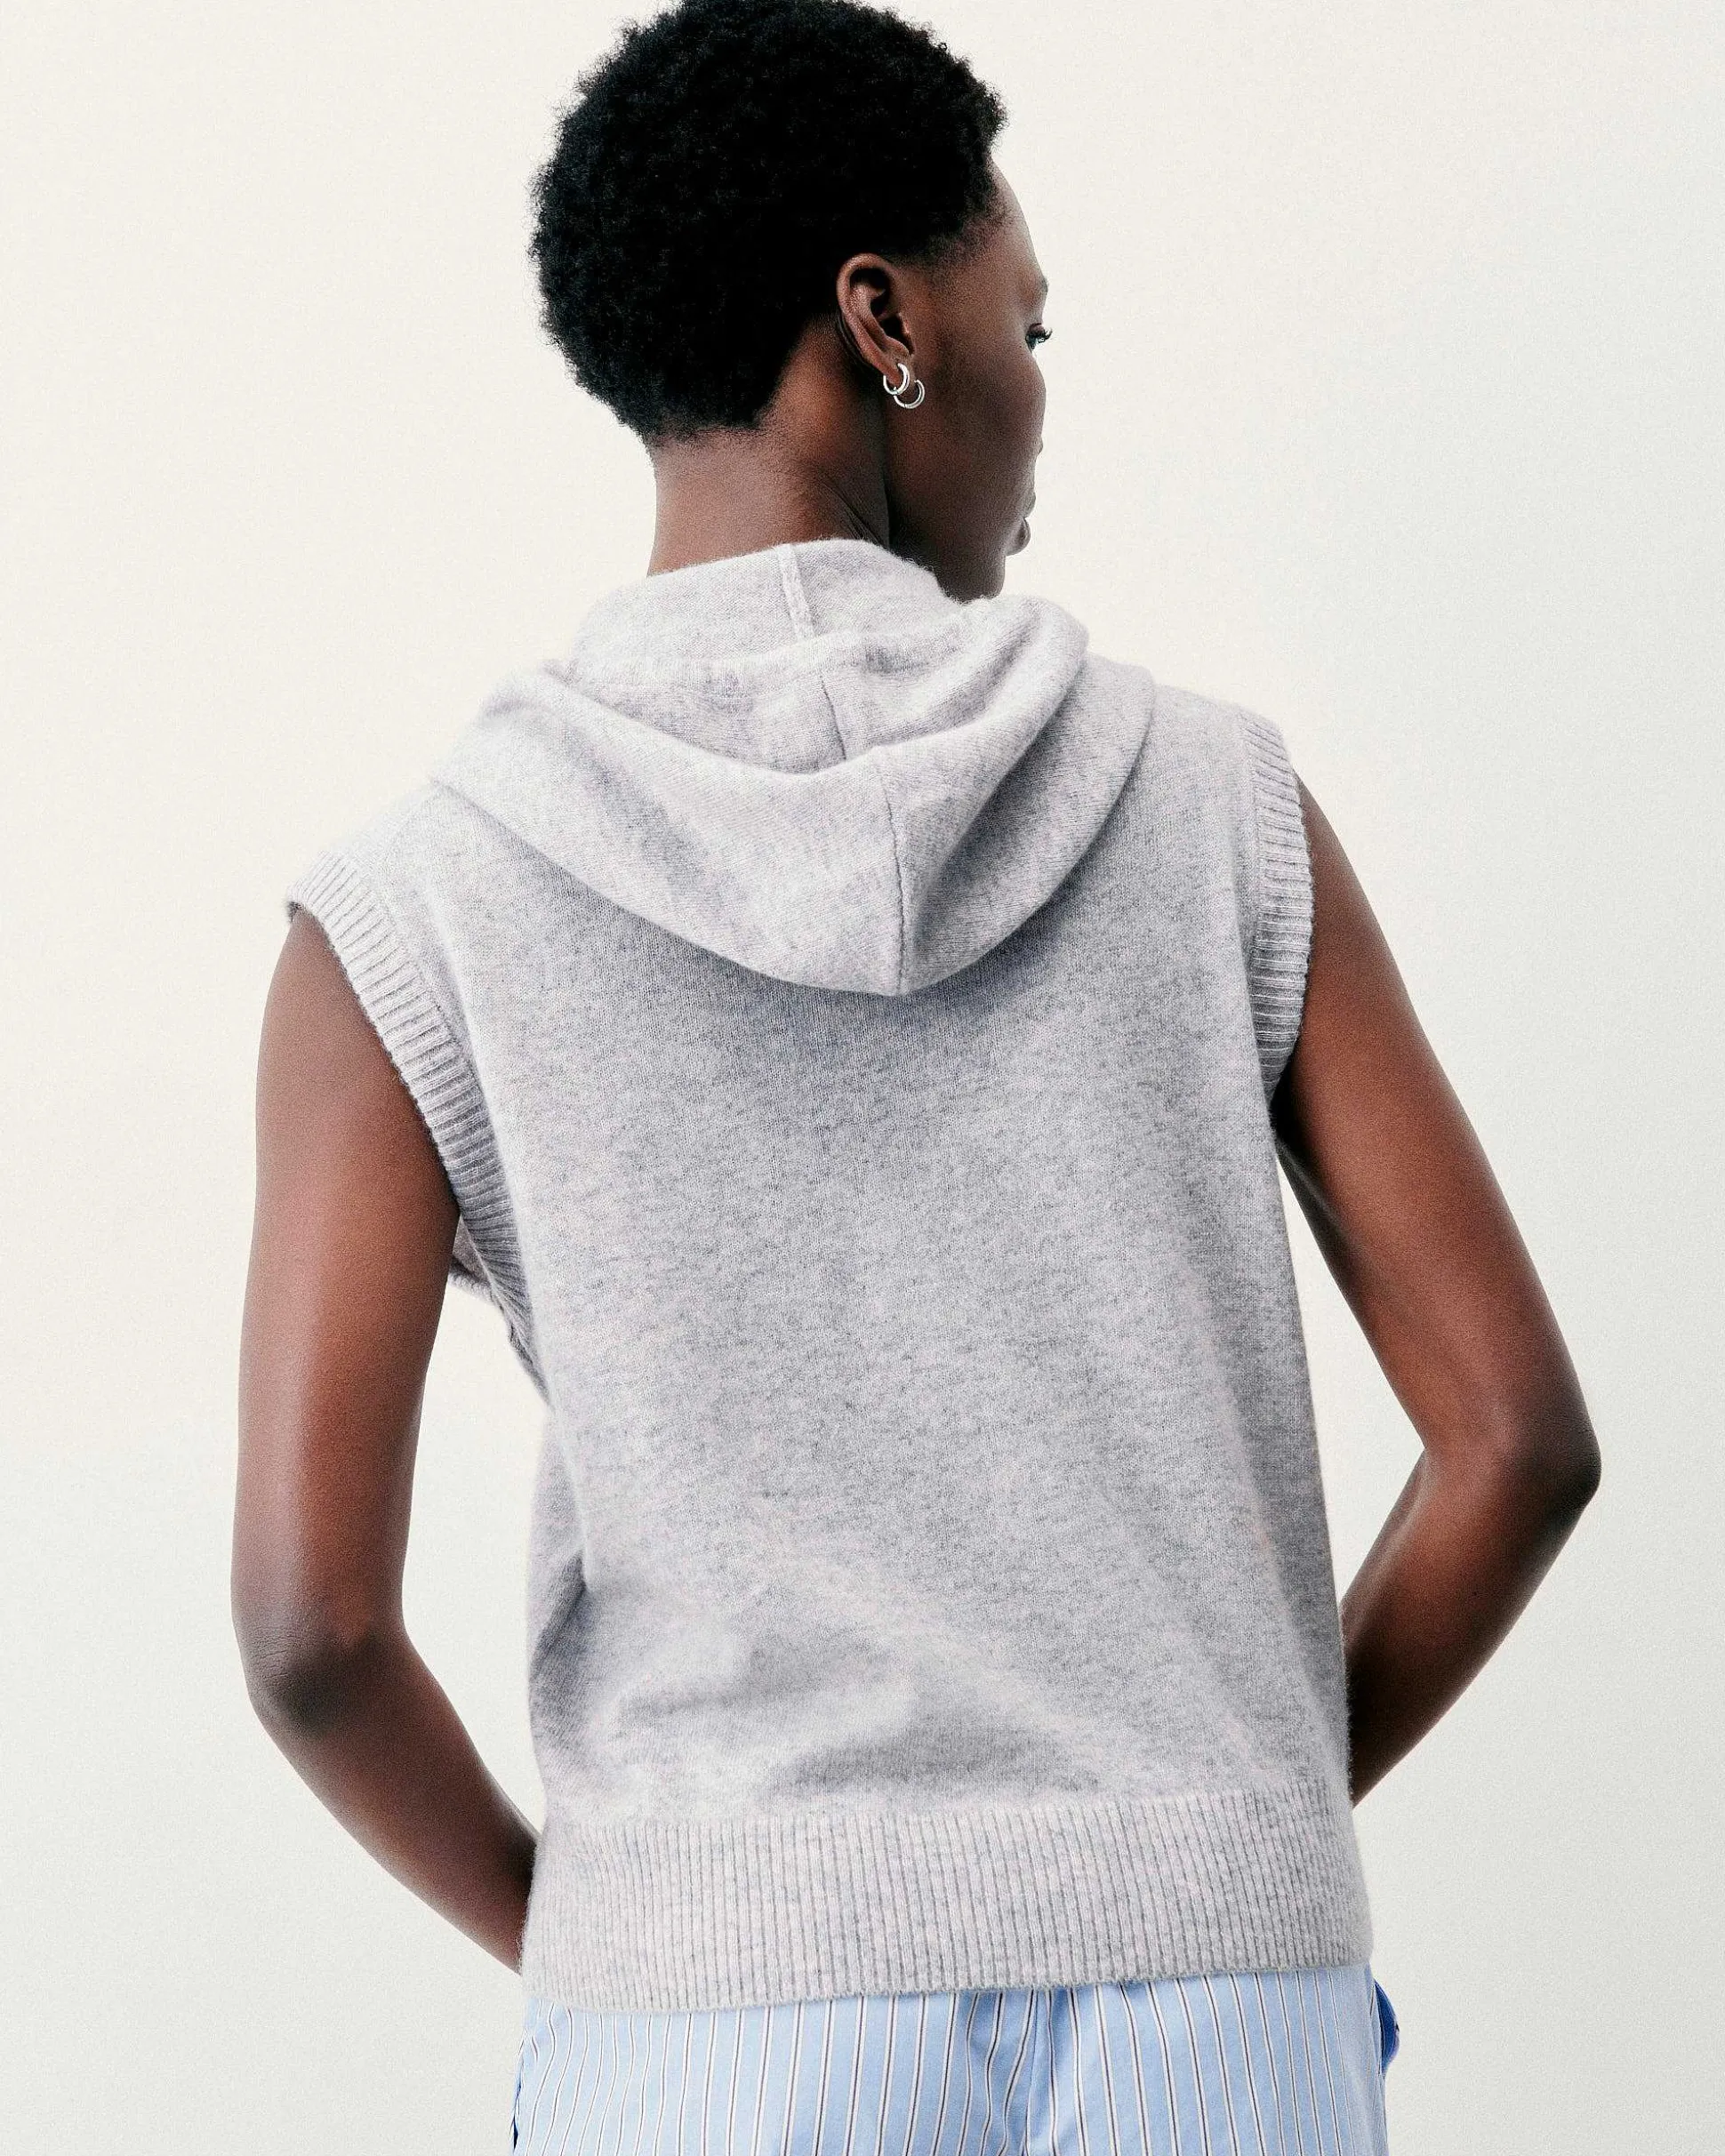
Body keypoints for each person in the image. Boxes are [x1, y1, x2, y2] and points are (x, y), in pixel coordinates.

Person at [230, 3, 1601, 2151]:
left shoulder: (410, 912)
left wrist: (633, 1935)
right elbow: (1514, 1440)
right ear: (881, 320)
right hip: (1218, 2020)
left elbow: (310, 1630)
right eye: (1023, 325)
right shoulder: (1213, 806)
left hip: (715, 2029)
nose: (1038, 400)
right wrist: (1205, 1834)